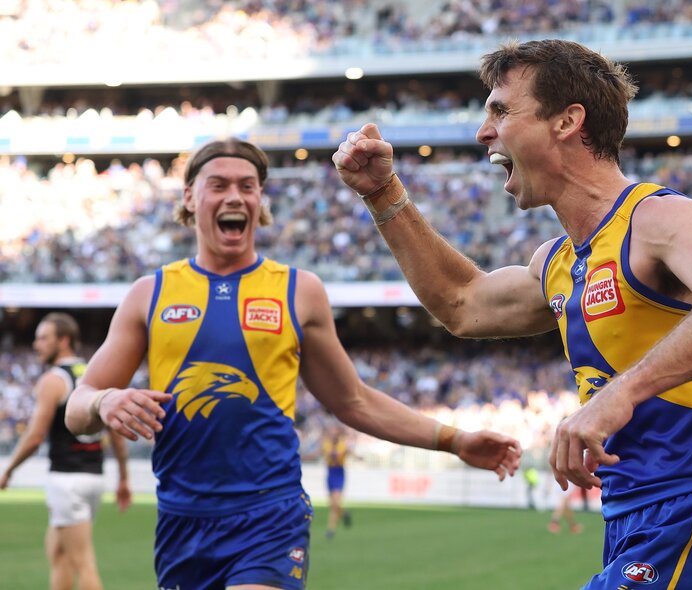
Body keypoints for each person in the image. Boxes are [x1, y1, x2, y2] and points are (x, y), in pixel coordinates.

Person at [333, 38, 692, 589]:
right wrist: (383, 194)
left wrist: (622, 392)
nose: (483, 132)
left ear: (568, 121)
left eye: (501, 110)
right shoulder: (557, 261)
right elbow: (462, 304)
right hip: (633, 518)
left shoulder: (660, 219)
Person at [64, 138, 522, 590]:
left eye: (248, 185)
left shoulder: (299, 291)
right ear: (189, 196)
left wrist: (454, 439)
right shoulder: (150, 294)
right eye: (218, 184)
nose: (235, 196)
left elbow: (354, 400)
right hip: (182, 520)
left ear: (260, 199)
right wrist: (103, 400)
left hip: (271, 514)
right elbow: (76, 409)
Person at [1, 312, 131, 590]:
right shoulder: (95, 376)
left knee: (83, 562)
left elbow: (35, 437)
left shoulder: (54, 380)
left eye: (43, 338)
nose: (36, 345)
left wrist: (8, 470)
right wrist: (123, 478)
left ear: (64, 340)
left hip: (66, 479)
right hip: (94, 477)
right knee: (59, 555)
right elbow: (117, 438)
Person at [320, 422, 352, 540]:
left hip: (339, 473)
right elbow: (322, 453)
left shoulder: (342, 444)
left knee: (335, 503)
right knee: (332, 504)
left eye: (335, 431)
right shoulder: (327, 444)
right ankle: (344, 514)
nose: (333, 433)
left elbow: (339, 456)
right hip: (330, 473)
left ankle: (331, 530)